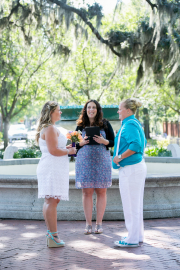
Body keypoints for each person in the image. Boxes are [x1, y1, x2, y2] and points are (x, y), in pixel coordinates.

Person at [36, 101, 76, 248]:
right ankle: (53, 235)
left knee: (52, 200)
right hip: (51, 167)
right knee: (52, 201)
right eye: (58, 110)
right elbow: (53, 151)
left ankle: (51, 234)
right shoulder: (50, 128)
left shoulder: (49, 128)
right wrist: (69, 151)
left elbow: (55, 148)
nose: (60, 113)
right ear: (51, 112)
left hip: (53, 167)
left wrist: (67, 148)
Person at [75, 100, 115, 234]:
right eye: (88, 107)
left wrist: (104, 141)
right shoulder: (80, 126)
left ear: (97, 110)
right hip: (84, 162)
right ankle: (88, 224)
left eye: (93, 107)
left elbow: (113, 142)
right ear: (85, 110)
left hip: (101, 162)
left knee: (101, 192)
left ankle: (99, 223)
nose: (91, 110)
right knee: (86, 192)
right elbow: (73, 146)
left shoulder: (105, 124)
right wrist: (81, 142)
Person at [113, 98, 147, 248]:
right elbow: (143, 143)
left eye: (120, 109)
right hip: (135, 167)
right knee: (136, 204)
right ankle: (136, 235)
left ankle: (132, 239)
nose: (118, 111)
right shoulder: (133, 123)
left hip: (131, 169)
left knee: (130, 204)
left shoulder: (130, 124)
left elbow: (136, 145)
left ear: (127, 110)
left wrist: (120, 157)